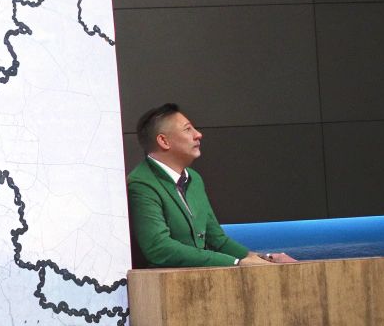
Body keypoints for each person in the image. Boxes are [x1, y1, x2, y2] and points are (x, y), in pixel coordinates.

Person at [127, 102, 297, 269]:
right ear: (164, 141)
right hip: (162, 289)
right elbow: (159, 248)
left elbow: (217, 240)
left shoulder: (194, 178)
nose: (198, 134)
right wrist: (236, 263)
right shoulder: (141, 184)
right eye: (188, 129)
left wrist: (262, 259)